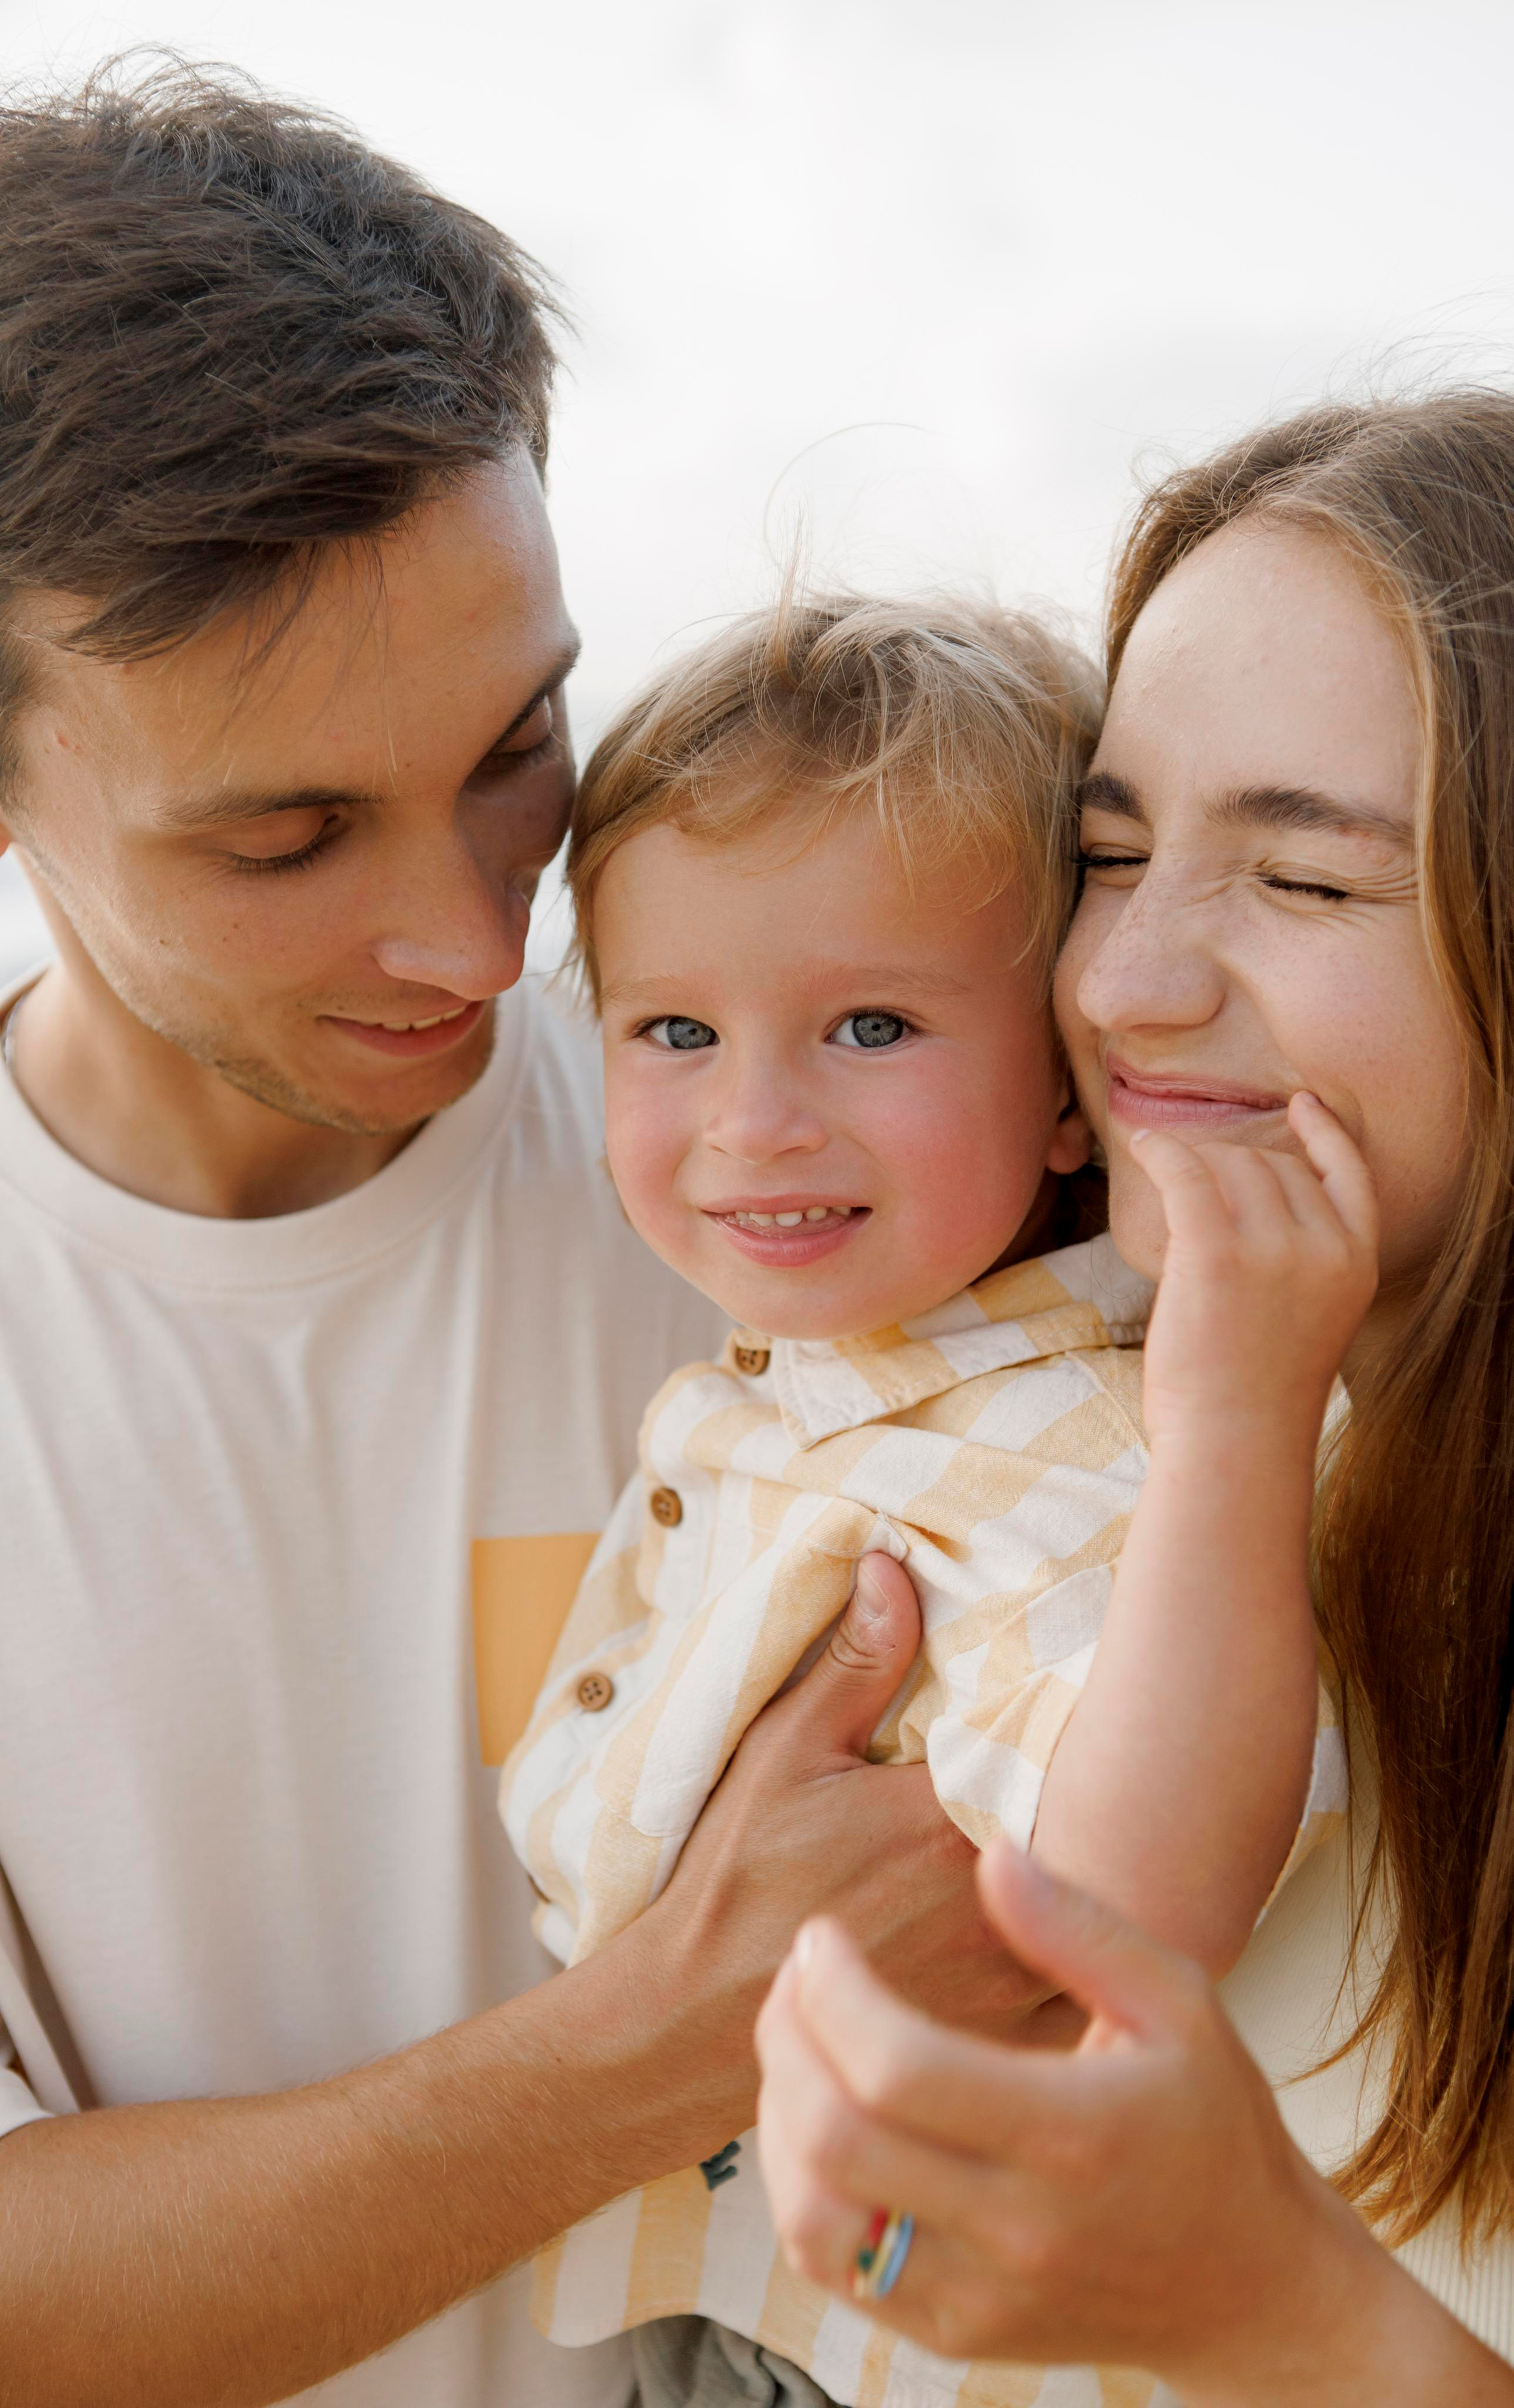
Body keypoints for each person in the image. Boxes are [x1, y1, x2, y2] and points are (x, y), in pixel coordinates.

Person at [0, 63, 1044, 2408]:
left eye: (516, 746)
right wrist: (658, 2044)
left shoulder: (791, 1153)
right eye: (284, 843)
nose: (477, 942)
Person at [754, 391, 1514, 2405]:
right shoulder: (1029, 1475)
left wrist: (1282, 2318)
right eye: (1112, 852)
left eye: (1309, 887)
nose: (1127, 981)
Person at [498, 588, 1368, 2408]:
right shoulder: (813, 1380)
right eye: (672, 1031)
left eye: (872, 1027)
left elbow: (1125, 1908)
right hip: (726, 2276)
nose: (754, 1121)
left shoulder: (1106, 1439)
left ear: (1070, 1093)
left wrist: (1232, 1429)